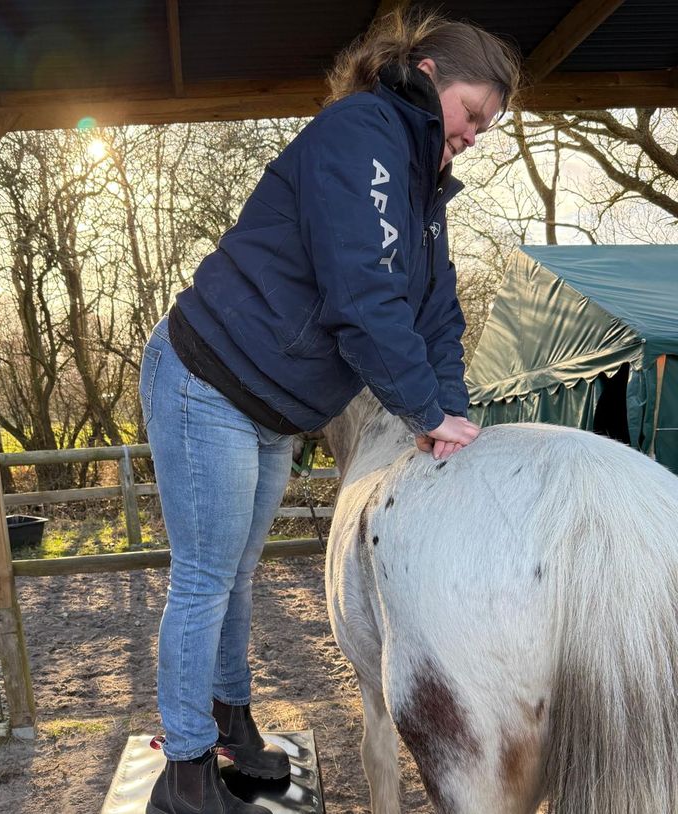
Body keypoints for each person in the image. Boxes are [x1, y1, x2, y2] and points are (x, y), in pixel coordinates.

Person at [140, 8, 520, 814]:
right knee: (205, 579)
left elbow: (436, 316)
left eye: (489, 126)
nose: (478, 134)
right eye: (474, 114)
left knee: (236, 575)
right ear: (427, 76)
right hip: (207, 380)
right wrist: (420, 410)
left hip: (272, 408)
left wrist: (453, 419)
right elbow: (363, 296)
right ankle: (183, 773)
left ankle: (231, 723)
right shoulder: (363, 137)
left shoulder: (421, 193)